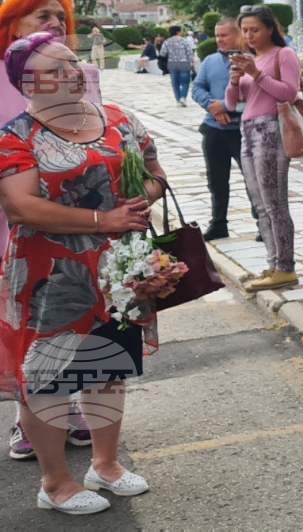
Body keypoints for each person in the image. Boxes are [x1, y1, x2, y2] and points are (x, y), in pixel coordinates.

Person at [0, 32, 167, 515]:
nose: (72, 73)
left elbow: (156, 174)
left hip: (117, 271)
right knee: (47, 379)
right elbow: (21, 206)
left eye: (72, 62)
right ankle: (55, 483)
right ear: (27, 83)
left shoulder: (119, 119)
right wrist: (102, 220)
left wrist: (138, 200)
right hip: (49, 276)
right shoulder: (16, 137)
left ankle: (105, 464)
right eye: (55, 69)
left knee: (107, 368)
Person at [0, 0, 104, 459]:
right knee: (25, 320)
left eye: (60, 16)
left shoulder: (83, 74)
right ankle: (26, 417)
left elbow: (99, 138)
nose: (56, 23)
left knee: (77, 311)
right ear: (13, 24)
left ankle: (75, 406)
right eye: (43, 15)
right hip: (14, 215)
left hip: (75, 216)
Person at [226, 6, 303, 292]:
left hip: (272, 130)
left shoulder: (284, 55)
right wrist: (235, 80)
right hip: (247, 131)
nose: (249, 35)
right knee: (259, 204)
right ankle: (273, 263)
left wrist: (256, 74)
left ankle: (286, 267)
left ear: (270, 29)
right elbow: (231, 104)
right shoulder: (251, 60)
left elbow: (289, 93)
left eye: (255, 30)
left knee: (274, 202)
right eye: (245, 30)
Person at [191, 19, 252, 241]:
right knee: (216, 180)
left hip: (243, 129)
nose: (219, 39)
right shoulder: (210, 61)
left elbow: (256, 95)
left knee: (253, 178)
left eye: (224, 35)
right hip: (214, 129)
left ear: (239, 35)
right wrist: (212, 106)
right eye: (217, 35)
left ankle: (263, 223)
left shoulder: (251, 61)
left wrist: (225, 106)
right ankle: (218, 223)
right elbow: (197, 88)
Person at [160, 25, 196, 106]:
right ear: (178, 32)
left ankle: (178, 100)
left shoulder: (167, 41)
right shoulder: (184, 41)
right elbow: (190, 53)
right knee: (185, 82)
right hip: (184, 63)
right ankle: (183, 98)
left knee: (175, 83)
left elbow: (163, 53)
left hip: (172, 64)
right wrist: (192, 63)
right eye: (181, 31)